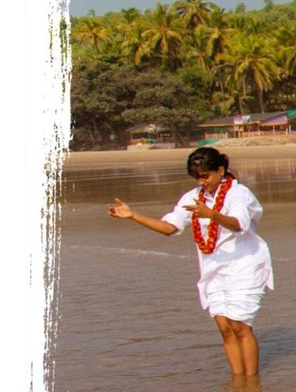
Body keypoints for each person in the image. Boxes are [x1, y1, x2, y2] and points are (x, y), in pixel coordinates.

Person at [107, 147, 274, 376]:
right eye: (197, 177)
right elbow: (169, 228)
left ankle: (252, 385)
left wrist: (212, 214)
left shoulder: (239, 194)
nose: (201, 181)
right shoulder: (192, 198)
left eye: (205, 175)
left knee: (240, 325)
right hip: (213, 268)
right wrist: (133, 216)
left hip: (245, 264)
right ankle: (238, 384)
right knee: (225, 328)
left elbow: (238, 224)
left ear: (220, 170)